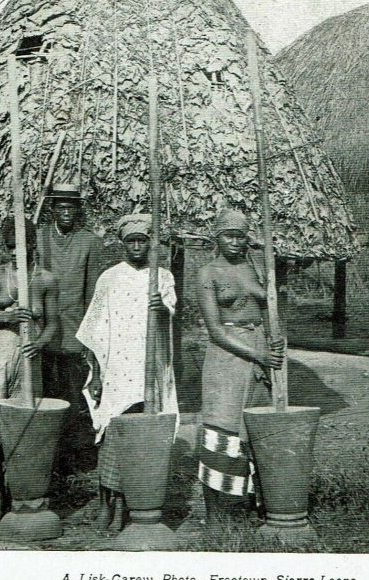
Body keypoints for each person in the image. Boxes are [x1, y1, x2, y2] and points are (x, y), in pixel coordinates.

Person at [76, 213, 179, 532]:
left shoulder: (162, 277)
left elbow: (171, 311)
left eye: (142, 241)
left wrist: (160, 306)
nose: (137, 246)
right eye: (131, 241)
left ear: (151, 244)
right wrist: (94, 373)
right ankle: (108, 503)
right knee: (112, 431)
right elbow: (95, 326)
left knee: (144, 430)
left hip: (148, 364)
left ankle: (133, 504)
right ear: (122, 244)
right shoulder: (109, 277)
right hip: (116, 367)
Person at [196, 208, 284, 531]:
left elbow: (270, 308)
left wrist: (274, 343)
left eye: (240, 236)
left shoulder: (257, 268)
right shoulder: (208, 274)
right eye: (228, 235)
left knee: (257, 427)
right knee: (224, 429)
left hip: (260, 349)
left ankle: (254, 505)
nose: (234, 242)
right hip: (226, 359)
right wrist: (257, 355)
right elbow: (216, 330)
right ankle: (220, 513)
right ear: (216, 238)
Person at [0, 217, 59, 519]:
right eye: (10, 247)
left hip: (29, 356)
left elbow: (53, 325)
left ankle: (24, 489)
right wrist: (6, 317)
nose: (14, 253)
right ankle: (0, 496)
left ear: (33, 246)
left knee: (24, 420)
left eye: (21, 247)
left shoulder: (46, 279)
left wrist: (40, 344)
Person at [37, 183, 105, 468]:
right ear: (52, 209)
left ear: (79, 210)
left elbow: (92, 292)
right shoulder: (39, 239)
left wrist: (90, 336)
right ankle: (50, 456)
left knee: (74, 394)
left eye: (72, 207)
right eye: (61, 206)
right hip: (43, 329)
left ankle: (76, 456)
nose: (67, 212)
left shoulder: (89, 242)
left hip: (75, 329)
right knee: (46, 392)